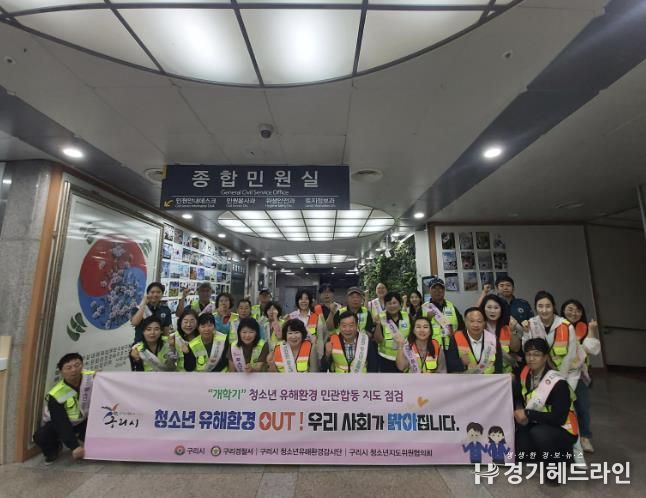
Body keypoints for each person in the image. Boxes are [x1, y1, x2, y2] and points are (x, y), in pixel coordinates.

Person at [513, 338, 579, 477]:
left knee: (539, 434)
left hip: (562, 428)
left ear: (545, 357)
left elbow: (559, 418)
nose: (531, 358)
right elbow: (520, 396)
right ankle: (548, 455)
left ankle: (556, 469)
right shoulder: (525, 373)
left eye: (536, 354)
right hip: (536, 421)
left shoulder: (558, 383)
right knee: (521, 453)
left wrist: (528, 414)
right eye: (528, 354)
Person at [34, 353, 94, 463]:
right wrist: (74, 446)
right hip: (62, 422)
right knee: (41, 436)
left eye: (77, 365)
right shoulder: (56, 394)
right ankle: (55, 449)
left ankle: (82, 437)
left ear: (82, 365)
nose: (74, 370)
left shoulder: (91, 378)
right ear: (61, 371)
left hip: (84, 420)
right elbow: (61, 422)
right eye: (68, 368)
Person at [561, 299, 601, 453]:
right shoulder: (557, 327)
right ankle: (565, 438)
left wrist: (591, 329)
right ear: (563, 310)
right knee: (563, 408)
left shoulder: (583, 328)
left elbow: (592, 349)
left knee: (583, 407)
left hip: (580, 375)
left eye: (578, 310)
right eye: (570, 309)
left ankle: (585, 437)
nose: (574, 313)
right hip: (560, 374)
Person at [522, 291, 582, 390]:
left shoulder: (566, 326)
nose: (544, 310)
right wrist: (525, 332)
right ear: (535, 308)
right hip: (540, 374)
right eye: (540, 306)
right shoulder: (531, 324)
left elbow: (570, 356)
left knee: (564, 397)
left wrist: (559, 378)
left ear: (553, 307)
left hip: (566, 373)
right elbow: (527, 350)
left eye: (548, 306)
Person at [445, 307, 503, 374]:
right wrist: (461, 363)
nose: (476, 325)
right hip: (466, 379)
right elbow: (450, 365)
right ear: (465, 322)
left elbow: (499, 366)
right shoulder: (456, 338)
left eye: (479, 321)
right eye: (472, 321)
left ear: (484, 323)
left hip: (489, 379)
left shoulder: (493, 339)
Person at [480, 294, 522, 373]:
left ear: (501, 310)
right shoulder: (479, 327)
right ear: (483, 308)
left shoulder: (507, 327)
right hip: (484, 373)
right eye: (489, 307)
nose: (492, 311)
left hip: (506, 373)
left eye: (496, 308)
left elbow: (516, 349)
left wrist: (513, 331)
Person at [422, 277, 465, 350]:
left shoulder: (451, 306)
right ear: (430, 290)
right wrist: (427, 319)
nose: (437, 291)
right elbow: (416, 330)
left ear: (444, 290)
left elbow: (461, 327)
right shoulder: (424, 308)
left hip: (451, 348)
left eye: (440, 288)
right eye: (434, 288)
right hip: (431, 348)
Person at [374, 292, 411, 372]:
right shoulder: (380, 317)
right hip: (385, 358)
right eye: (389, 303)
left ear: (400, 304)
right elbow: (378, 340)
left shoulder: (407, 316)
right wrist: (378, 325)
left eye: (394, 303)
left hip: (405, 356)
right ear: (385, 305)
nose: (392, 306)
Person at [288, 289, 327, 358]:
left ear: (310, 301)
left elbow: (320, 339)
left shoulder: (316, 317)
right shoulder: (291, 316)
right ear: (297, 301)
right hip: (294, 353)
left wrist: (320, 356)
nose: (303, 301)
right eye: (301, 299)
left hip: (312, 353)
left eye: (306, 299)